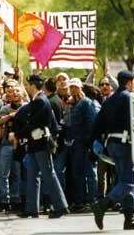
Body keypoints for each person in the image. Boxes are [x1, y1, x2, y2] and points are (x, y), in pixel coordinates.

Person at [91, 70, 134, 230]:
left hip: (112, 144)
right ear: (130, 82)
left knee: (124, 180)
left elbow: (97, 125)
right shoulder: (130, 98)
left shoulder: (109, 100)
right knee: (130, 181)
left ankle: (130, 218)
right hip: (126, 143)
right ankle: (103, 204)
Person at [18, 74, 69, 219]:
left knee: (48, 174)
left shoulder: (41, 101)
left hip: (41, 142)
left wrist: (19, 133)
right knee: (32, 175)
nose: (27, 88)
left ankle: (61, 206)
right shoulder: (39, 100)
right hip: (35, 143)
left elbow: (34, 123)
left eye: (28, 85)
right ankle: (31, 208)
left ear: (33, 86)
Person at [56, 78, 98, 213]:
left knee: (90, 174)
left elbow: (91, 124)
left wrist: (89, 143)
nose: (73, 89)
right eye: (71, 87)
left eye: (75, 87)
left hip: (85, 145)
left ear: (80, 88)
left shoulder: (87, 103)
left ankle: (92, 201)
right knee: (77, 174)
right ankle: (80, 202)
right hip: (74, 145)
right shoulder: (71, 104)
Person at [0, 83, 25, 213]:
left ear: (22, 93)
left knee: (17, 174)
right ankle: (4, 200)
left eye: (17, 91)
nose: (15, 94)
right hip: (6, 144)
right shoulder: (6, 108)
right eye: (12, 92)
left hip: (20, 144)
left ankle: (16, 199)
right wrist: (10, 116)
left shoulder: (27, 107)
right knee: (3, 174)